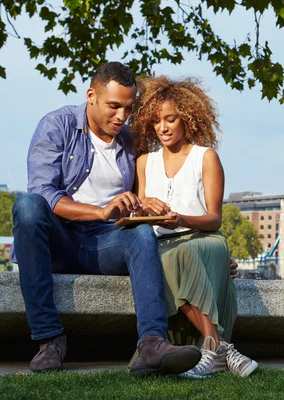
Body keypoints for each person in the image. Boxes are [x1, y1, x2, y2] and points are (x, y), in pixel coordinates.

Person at [11, 62, 201, 374]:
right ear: (91, 96)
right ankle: (50, 340)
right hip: (59, 241)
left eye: (128, 108)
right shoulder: (56, 126)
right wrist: (100, 210)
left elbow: (145, 200)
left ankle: (151, 345)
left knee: (140, 234)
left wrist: (143, 205)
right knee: (28, 205)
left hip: (106, 242)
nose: (121, 117)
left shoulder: (132, 141)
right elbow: (43, 192)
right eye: (114, 106)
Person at [130, 76, 257, 378]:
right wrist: (145, 205)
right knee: (162, 257)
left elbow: (215, 218)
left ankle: (212, 349)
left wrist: (182, 219)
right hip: (162, 244)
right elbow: (136, 217)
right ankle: (221, 348)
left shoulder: (206, 158)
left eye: (171, 119)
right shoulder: (144, 162)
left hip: (204, 238)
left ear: (187, 118)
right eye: (157, 121)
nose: (163, 128)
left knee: (179, 255)